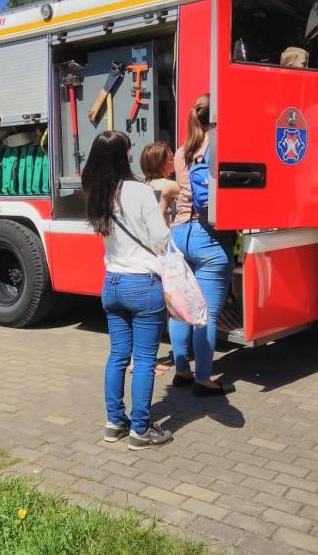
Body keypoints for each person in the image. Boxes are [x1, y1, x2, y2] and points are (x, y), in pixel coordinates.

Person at [81, 131, 173, 451]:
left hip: (113, 284)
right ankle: (140, 430)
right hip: (143, 284)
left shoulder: (97, 192)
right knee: (145, 360)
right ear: (123, 156)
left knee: (118, 356)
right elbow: (161, 238)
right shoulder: (140, 191)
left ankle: (114, 423)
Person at [169, 94, 236, 397]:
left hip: (179, 232)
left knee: (182, 309)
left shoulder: (182, 150)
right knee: (205, 314)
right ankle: (204, 378)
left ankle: (182, 371)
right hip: (208, 236)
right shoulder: (220, 142)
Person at [140, 141, 180, 227]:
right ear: (160, 164)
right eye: (170, 159)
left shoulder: (146, 183)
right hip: (160, 234)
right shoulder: (168, 185)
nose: (174, 160)